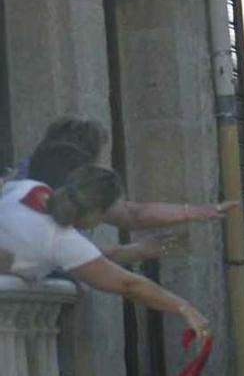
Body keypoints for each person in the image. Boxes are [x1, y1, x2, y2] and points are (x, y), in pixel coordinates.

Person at [0, 142, 211, 341]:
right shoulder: (63, 242)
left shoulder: (31, 188)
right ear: (96, 212)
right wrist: (184, 307)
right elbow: (129, 284)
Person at [7, 117, 238, 264]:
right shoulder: (47, 187)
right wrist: (137, 251)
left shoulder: (21, 183)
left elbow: (130, 214)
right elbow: (71, 257)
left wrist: (198, 212)